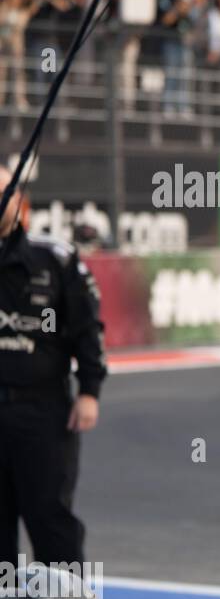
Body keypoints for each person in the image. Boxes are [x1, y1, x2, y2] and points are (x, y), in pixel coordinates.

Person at [0, 166, 106, 568]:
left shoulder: (54, 259)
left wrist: (90, 390)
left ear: (18, 200)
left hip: (42, 412)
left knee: (49, 519)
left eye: (4, 192)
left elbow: (89, 329)